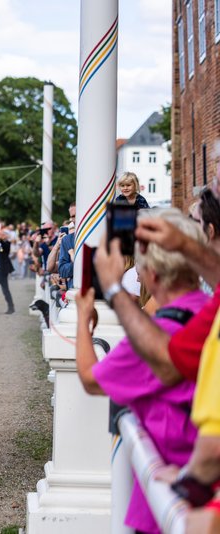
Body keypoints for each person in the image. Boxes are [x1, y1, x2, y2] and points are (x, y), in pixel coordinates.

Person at [75, 208, 209, 533]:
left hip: (173, 502)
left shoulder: (154, 335)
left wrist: (82, 319)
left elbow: (91, 380)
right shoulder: (211, 312)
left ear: (150, 275)